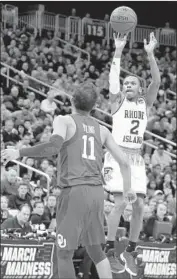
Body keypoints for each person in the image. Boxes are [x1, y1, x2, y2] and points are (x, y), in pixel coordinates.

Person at [2, 82, 136, 279]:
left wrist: (18, 152)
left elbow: (52, 147)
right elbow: (125, 162)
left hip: (74, 191)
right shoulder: (102, 130)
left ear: (72, 101)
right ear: (93, 106)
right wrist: (127, 190)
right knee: (96, 251)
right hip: (97, 192)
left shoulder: (64, 120)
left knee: (63, 253)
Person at [103, 32, 161, 276]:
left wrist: (150, 55)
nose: (127, 85)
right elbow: (113, 78)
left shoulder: (144, 104)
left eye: (132, 83)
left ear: (139, 88)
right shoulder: (117, 102)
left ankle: (133, 249)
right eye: (126, 83)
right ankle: (109, 250)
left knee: (139, 206)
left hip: (136, 159)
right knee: (119, 204)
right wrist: (118, 50)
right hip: (117, 157)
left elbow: (156, 83)